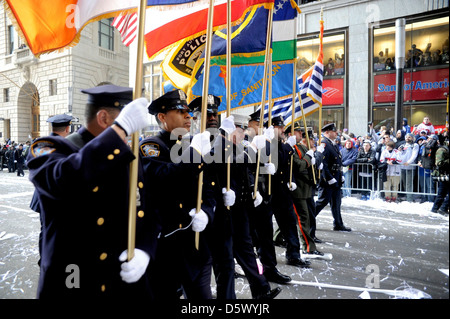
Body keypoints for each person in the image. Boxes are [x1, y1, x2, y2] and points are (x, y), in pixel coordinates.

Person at [27, 84, 158, 299]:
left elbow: (146, 209)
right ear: (104, 118)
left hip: (122, 281)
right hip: (75, 280)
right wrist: (120, 129)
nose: (130, 134)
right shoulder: (48, 148)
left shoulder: (126, 156)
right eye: (129, 125)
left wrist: (144, 249)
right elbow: (65, 178)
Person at [139, 89, 217, 300]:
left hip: (196, 244)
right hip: (167, 247)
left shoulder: (191, 145)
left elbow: (208, 188)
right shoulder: (151, 147)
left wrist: (207, 213)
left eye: (188, 112)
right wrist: (194, 154)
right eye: (180, 111)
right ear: (162, 117)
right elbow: (165, 177)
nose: (188, 116)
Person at [245, 110, 292, 286]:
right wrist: (252, 188)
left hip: (263, 196)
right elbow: (244, 167)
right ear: (250, 124)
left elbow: (270, 164)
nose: (261, 128)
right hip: (247, 196)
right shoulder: (245, 140)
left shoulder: (265, 141)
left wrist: (276, 144)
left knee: (265, 236)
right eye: (259, 125)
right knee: (245, 240)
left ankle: (269, 269)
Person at [270, 116, 311, 267]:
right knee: (262, 229)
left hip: (283, 191)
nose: (282, 130)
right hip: (270, 191)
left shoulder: (282, 144)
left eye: (283, 127)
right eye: (279, 127)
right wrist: (288, 146)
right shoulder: (269, 144)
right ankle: (266, 259)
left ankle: (293, 254)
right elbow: (279, 159)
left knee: (290, 223)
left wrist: (291, 179)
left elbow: (289, 166)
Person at [287, 123, 324, 257]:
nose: (301, 134)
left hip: (306, 189)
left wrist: (315, 165)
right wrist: (309, 157)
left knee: (297, 217)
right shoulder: (292, 148)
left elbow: (307, 167)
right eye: (297, 132)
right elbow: (299, 166)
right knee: (303, 218)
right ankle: (308, 247)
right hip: (298, 189)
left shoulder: (301, 148)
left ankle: (277, 238)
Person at [315, 123, 351, 232]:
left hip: (335, 177)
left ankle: (338, 224)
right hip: (327, 180)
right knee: (322, 202)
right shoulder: (324, 144)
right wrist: (329, 178)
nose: (336, 133)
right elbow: (323, 164)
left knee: (336, 202)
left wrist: (340, 176)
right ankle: (306, 220)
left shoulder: (333, 143)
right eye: (334, 131)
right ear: (327, 132)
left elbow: (337, 161)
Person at [397, 133, 419, 202]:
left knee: (409, 183)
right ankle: (407, 196)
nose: (407, 138)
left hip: (410, 167)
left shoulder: (415, 145)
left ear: (412, 138)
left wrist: (409, 162)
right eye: (406, 137)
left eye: (409, 137)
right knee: (404, 183)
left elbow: (414, 155)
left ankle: (409, 198)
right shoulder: (402, 145)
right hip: (403, 167)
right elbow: (399, 155)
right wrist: (399, 152)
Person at [431, 134, 449, 215]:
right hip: (443, 174)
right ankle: (441, 208)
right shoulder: (442, 150)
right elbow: (439, 163)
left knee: (442, 193)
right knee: (441, 194)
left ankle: (436, 209)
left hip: (447, 175)